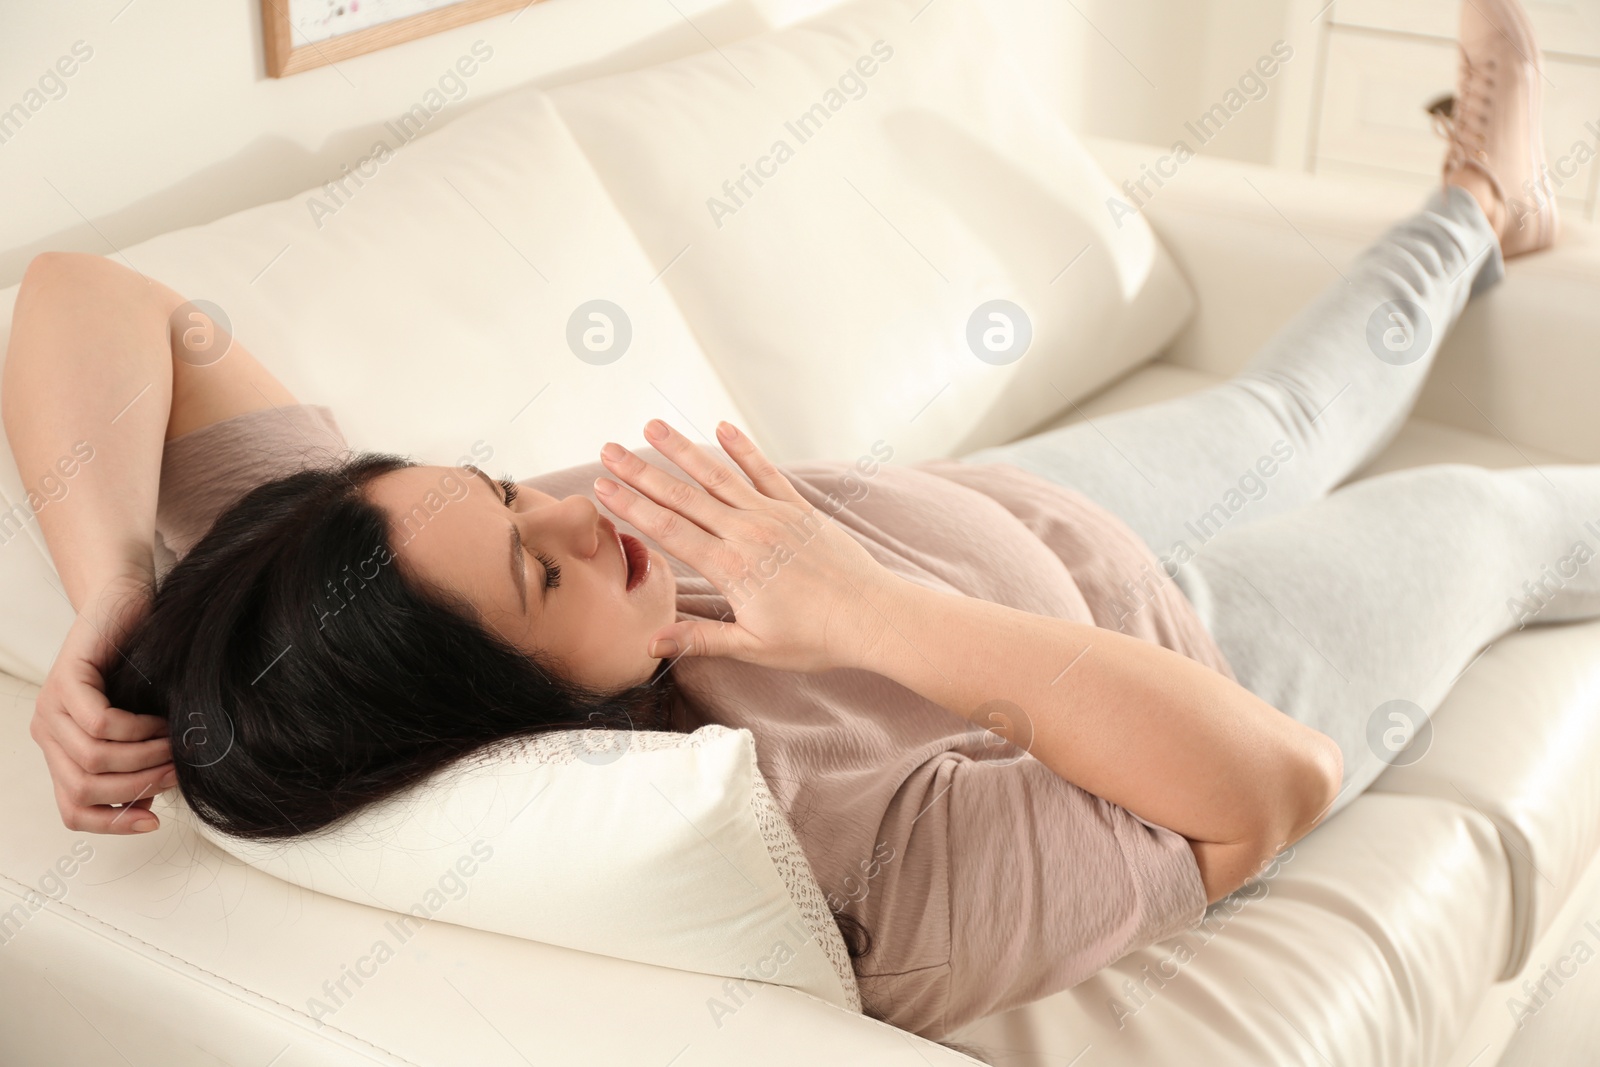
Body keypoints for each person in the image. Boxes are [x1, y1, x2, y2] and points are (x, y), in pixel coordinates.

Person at [3, 0, 1574, 1041]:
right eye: (538, 569)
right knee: (1488, 524)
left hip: (1005, 526)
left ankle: (1479, 205)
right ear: (516, 716)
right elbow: (1265, 782)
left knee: (1280, 417)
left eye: (499, 491)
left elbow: (90, 295)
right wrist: (856, 610)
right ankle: (1481, 216)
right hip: (1178, 665)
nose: (571, 510)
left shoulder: (371, 588)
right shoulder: (842, 852)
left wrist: (109, 603)